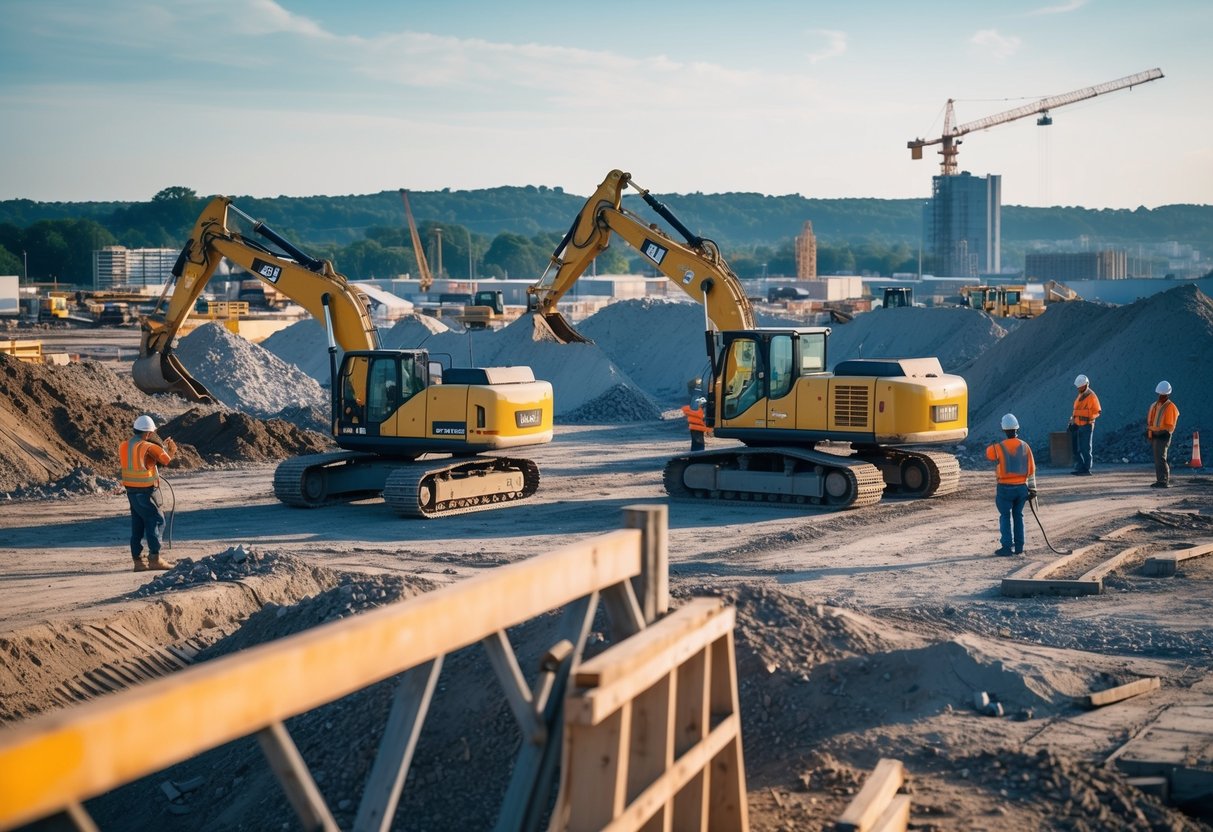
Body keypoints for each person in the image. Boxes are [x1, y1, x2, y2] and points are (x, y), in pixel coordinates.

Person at [119, 415, 177, 572]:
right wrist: (171, 449)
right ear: (149, 433)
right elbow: (165, 460)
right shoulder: (149, 446)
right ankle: (154, 558)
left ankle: (138, 561)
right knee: (156, 521)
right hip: (147, 491)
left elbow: (144, 463)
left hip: (131, 492)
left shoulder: (124, 445)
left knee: (137, 525)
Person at [986, 413, 1037, 556]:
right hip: (1021, 488)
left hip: (1004, 488)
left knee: (1005, 516)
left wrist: (994, 444)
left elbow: (988, 454)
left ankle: (1007, 547)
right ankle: (1019, 547)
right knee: (1018, 515)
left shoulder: (998, 447)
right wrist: (1032, 489)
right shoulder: (1025, 446)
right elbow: (1032, 469)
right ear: (1017, 429)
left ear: (1004, 430)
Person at [1146, 380, 1180, 488]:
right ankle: (1160, 480)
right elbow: (1150, 422)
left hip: (1163, 435)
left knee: (1161, 458)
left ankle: (1164, 480)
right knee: (1158, 458)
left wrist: (1163, 432)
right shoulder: (1154, 406)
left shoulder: (1171, 407)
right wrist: (1150, 434)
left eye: (1163, 395)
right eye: (1161, 394)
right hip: (1155, 435)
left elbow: (1170, 426)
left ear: (1167, 394)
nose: (1161, 396)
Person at [1068, 374, 1101, 475]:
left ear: (1086, 385)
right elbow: (1076, 410)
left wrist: (1080, 415)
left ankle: (1086, 468)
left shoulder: (1091, 396)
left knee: (1085, 448)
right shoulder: (1081, 395)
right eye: (1078, 387)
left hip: (1086, 425)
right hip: (1078, 425)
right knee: (1077, 448)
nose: (1078, 388)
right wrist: (1072, 421)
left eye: (1080, 386)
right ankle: (1080, 467)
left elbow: (1097, 411)